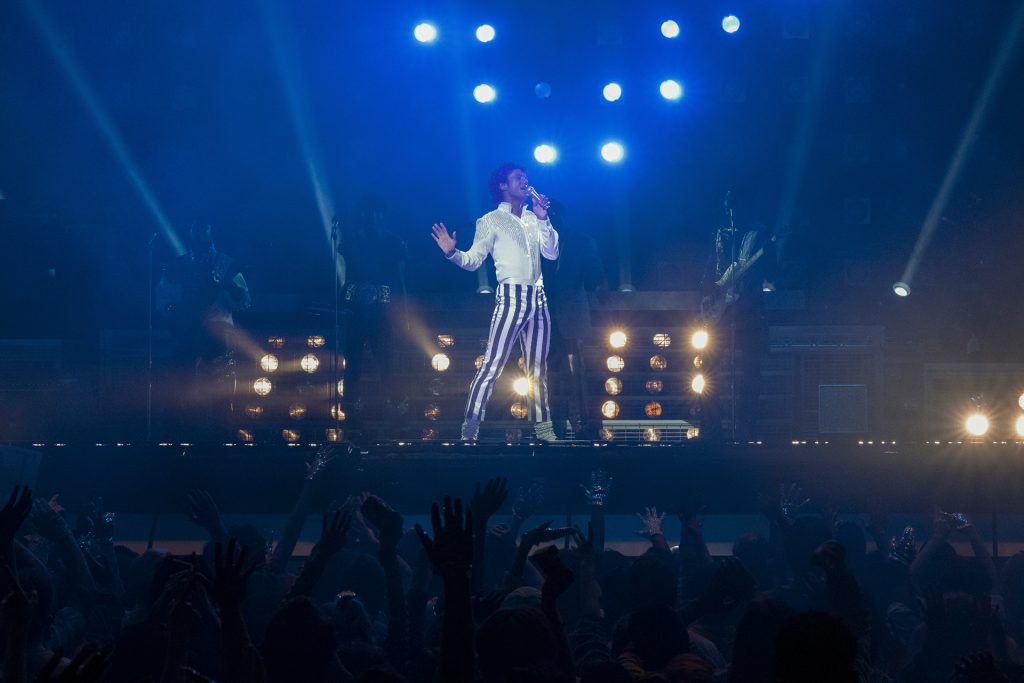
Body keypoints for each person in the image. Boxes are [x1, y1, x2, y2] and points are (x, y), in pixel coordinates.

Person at [431, 163, 560, 441]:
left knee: (538, 369)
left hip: (538, 297)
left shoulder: (533, 218)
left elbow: (551, 253)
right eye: (518, 177)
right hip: (511, 296)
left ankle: (544, 429)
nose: (525, 181)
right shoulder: (490, 220)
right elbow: (473, 260)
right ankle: (470, 428)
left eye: (526, 177)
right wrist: (452, 253)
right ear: (503, 185)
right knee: (492, 365)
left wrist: (543, 219)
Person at [337, 194, 409, 428]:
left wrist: (401, 312)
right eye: (369, 212)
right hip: (355, 311)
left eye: (377, 212)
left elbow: (399, 281)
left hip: (382, 312)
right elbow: (347, 277)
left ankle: (397, 407)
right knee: (353, 362)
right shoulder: (350, 242)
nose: (373, 216)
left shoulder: (393, 242)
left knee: (387, 361)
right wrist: (343, 307)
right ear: (362, 215)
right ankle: (350, 408)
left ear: (383, 215)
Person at [541, 201, 607, 439]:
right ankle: (554, 428)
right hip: (544, 319)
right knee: (548, 377)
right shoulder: (535, 242)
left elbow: (595, 276)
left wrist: (599, 283)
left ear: (559, 216)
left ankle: (585, 427)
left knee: (580, 375)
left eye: (549, 214)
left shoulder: (581, 241)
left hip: (573, 319)